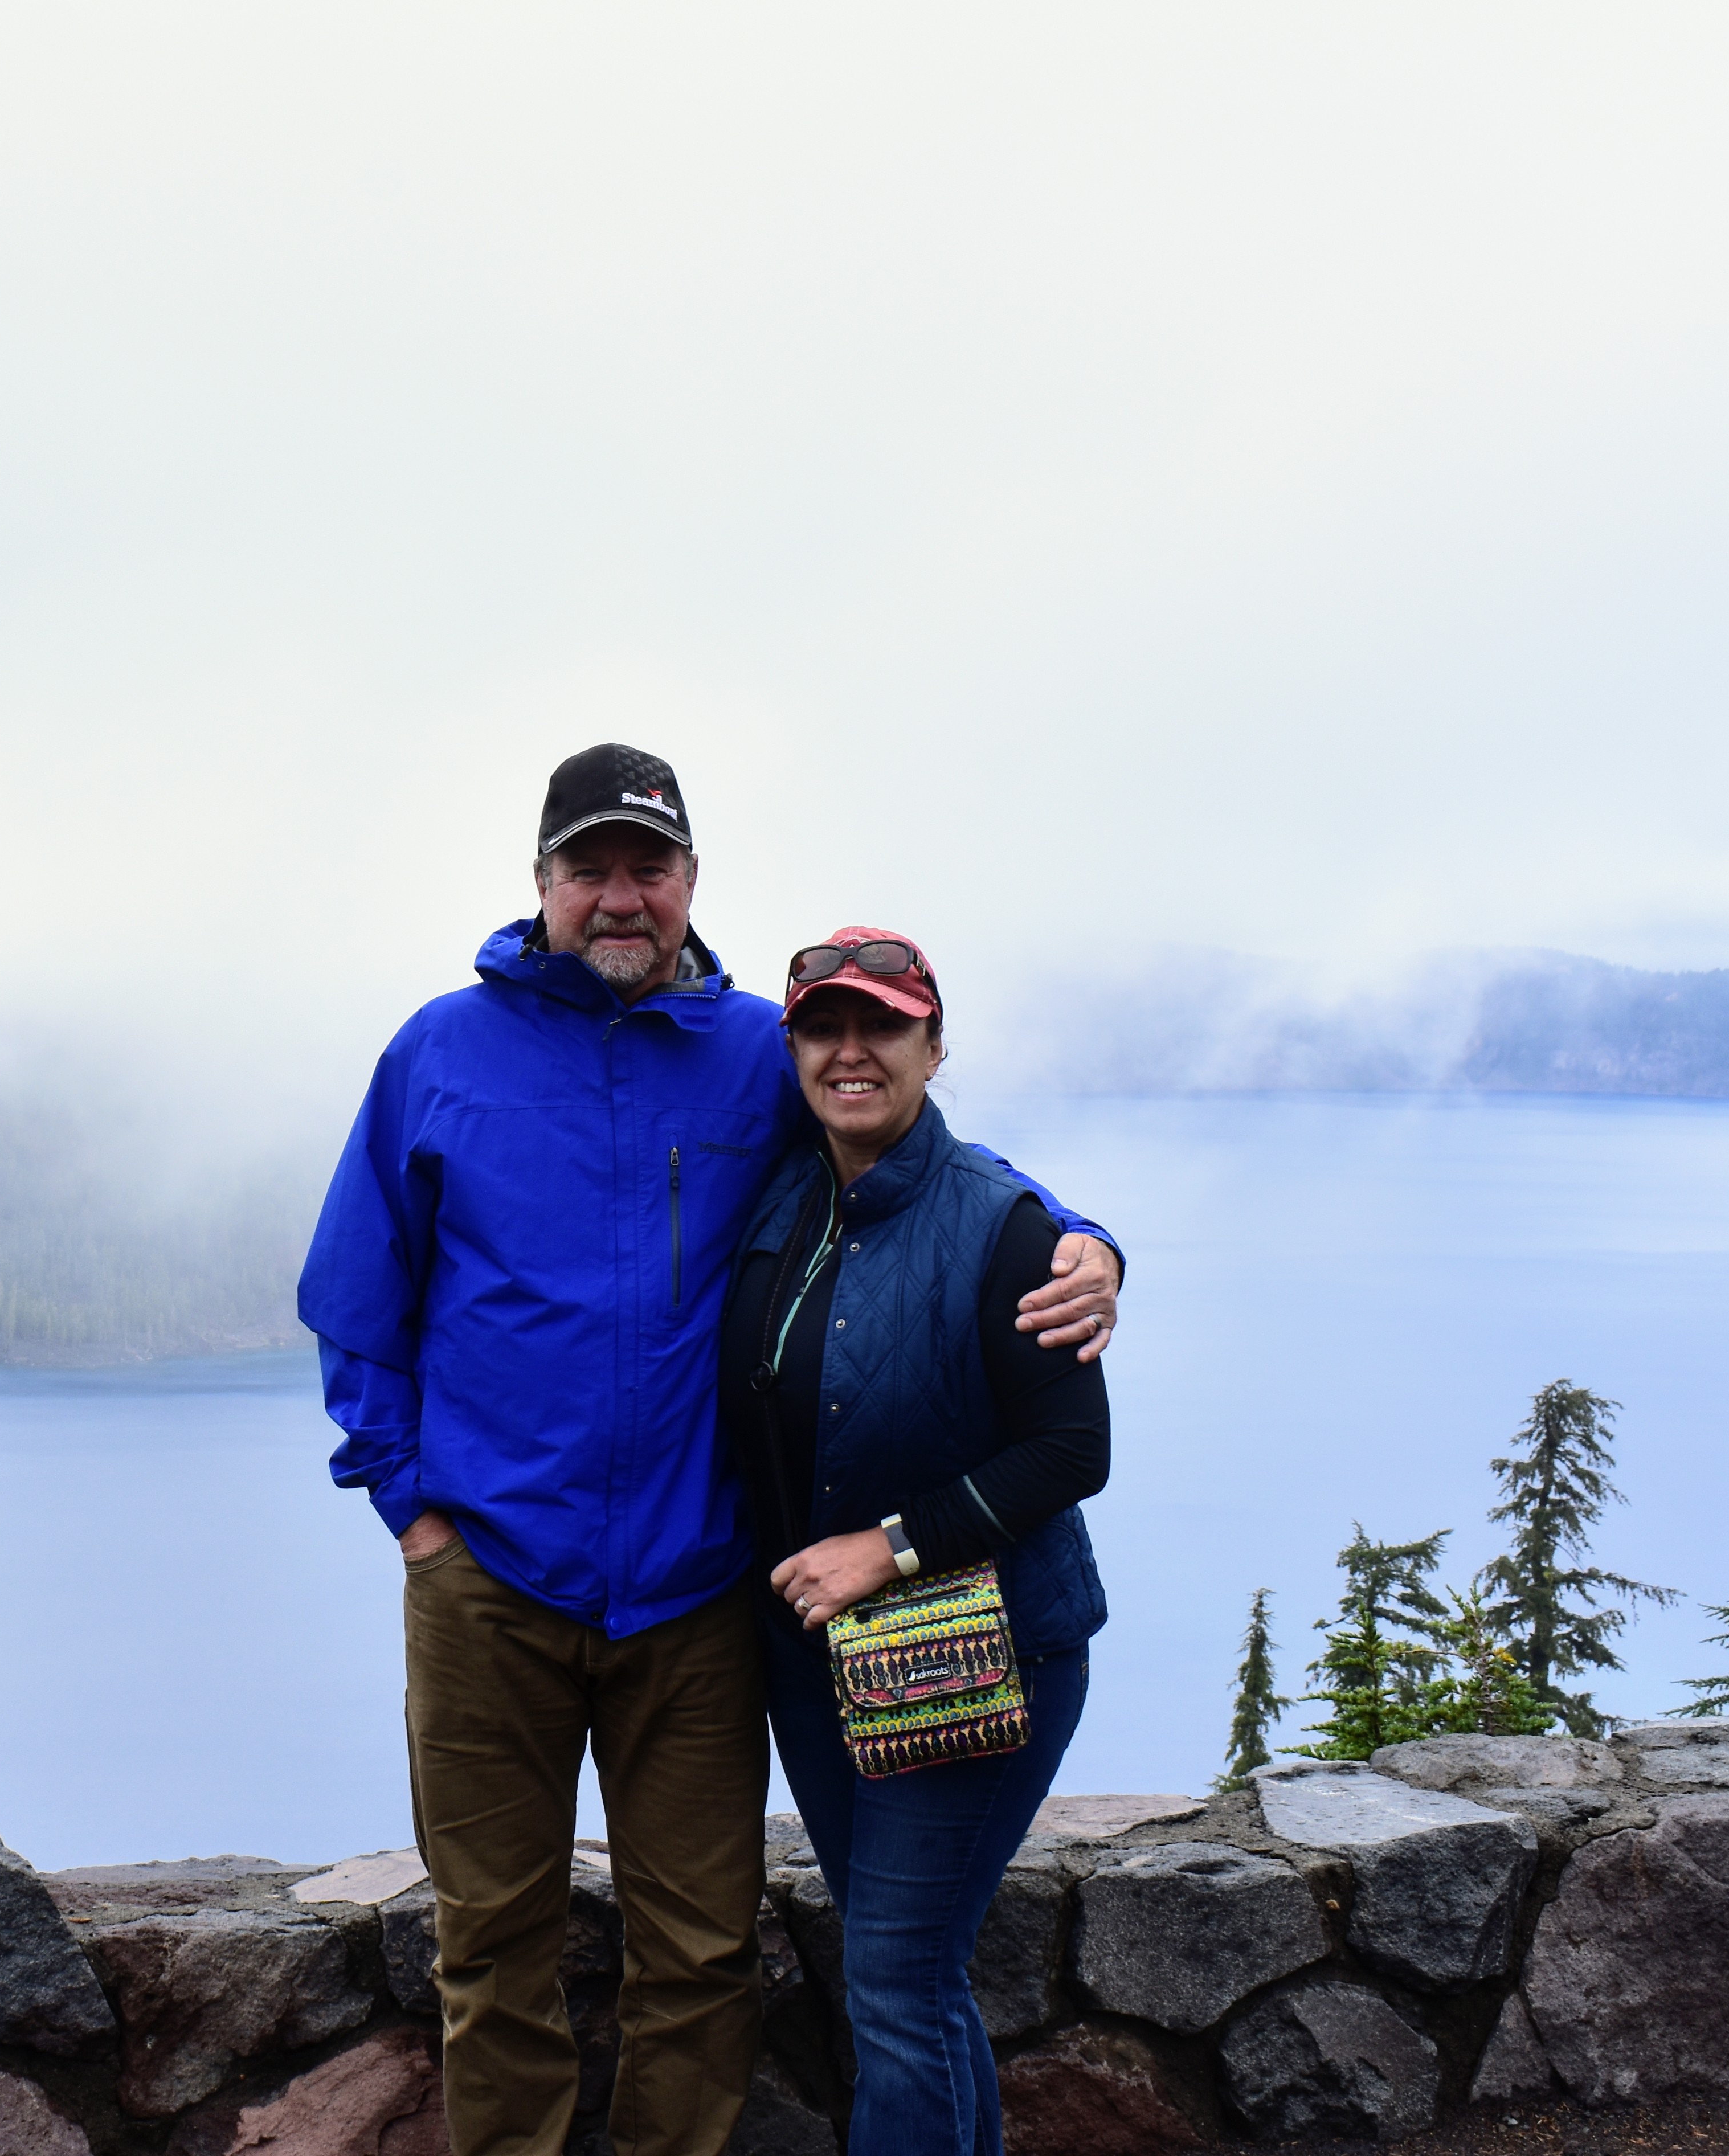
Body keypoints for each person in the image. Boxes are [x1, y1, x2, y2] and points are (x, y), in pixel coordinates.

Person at [299, 746, 1123, 2156]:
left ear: (690, 882)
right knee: (491, 1953)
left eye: (649, 867)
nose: (620, 897)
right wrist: (412, 1511)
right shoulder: (439, 1052)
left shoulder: (762, 1045)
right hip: (488, 1581)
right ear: (541, 882)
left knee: (700, 1952)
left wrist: (1087, 1239)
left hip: (692, 1593)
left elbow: (931, 1164)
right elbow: (357, 1298)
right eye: (589, 868)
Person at [722, 927, 1111, 2156]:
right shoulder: (791, 1184)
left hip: (978, 1642)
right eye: (825, 1027)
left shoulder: (999, 1225)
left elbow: (1071, 1452)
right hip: (818, 1652)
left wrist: (884, 1548)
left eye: (883, 1026)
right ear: (792, 1050)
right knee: (915, 1977)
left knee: (895, 1976)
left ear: (933, 1047)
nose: (852, 1051)